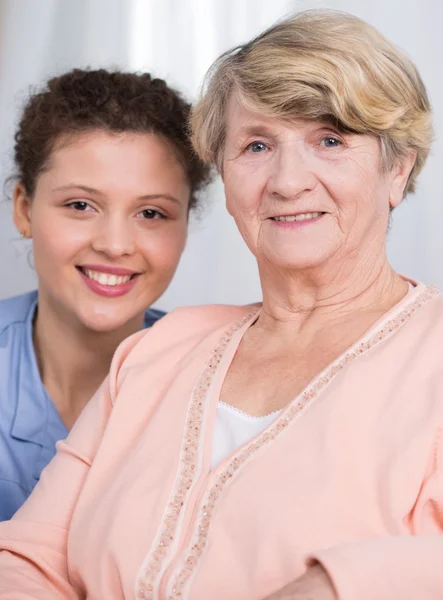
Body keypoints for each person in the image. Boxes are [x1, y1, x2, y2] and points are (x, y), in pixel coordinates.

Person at [0, 9, 441, 600]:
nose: (287, 180)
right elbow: (28, 559)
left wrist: (340, 584)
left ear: (398, 168)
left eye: (330, 140)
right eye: (256, 144)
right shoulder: (161, 348)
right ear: (225, 176)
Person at [0, 68, 210, 521]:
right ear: (24, 209)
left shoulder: (215, 387)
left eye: (151, 212)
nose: (115, 244)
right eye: (80, 205)